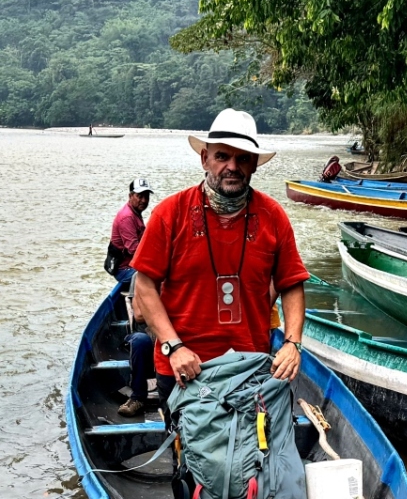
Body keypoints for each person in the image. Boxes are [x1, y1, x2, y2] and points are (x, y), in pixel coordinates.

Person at [127, 109, 308, 414]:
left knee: (250, 458)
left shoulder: (273, 216)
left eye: (243, 159)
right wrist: (173, 346)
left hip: (249, 368)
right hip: (184, 368)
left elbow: (291, 284)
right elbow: (145, 285)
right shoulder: (171, 213)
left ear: (253, 165)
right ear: (204, 158)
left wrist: (292, 343)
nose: (232, 167)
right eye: (222, 156)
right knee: (189, 461)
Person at [105, 178, 157, 418]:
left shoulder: (137, 215)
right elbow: (138, 253)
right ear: (130, 195)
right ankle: (138, 397)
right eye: (139, 195)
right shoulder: (127, 217)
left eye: (146, 196)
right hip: (128, 269)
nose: (143, 200)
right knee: (139, 339)